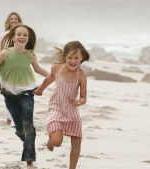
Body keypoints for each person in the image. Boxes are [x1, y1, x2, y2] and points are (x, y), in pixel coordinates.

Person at [0, 25, 49, 169]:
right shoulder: (5, 53)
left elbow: (38, 69)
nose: (22, 37)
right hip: (9, 95)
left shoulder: (30, 55)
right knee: (21, 130)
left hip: (28, 92)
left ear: (28, 38)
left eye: (25, 35)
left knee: (28, 126)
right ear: (13, 37)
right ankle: (28, 139)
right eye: (19, 34)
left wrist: (54, 76)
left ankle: (29, 163)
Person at [32, 41, 90, 169]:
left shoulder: (82, 76)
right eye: (70, 57)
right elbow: (49, 79)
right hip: (56, 108)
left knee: (77, 141)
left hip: (72, 110)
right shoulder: (57, 68)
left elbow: (84, 97)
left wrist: (78, 102)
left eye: (76, 58)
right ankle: (51, 137)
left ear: (82, 58)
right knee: (57, 142)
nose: (73, 61)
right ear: (64, 57)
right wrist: (40, 89)